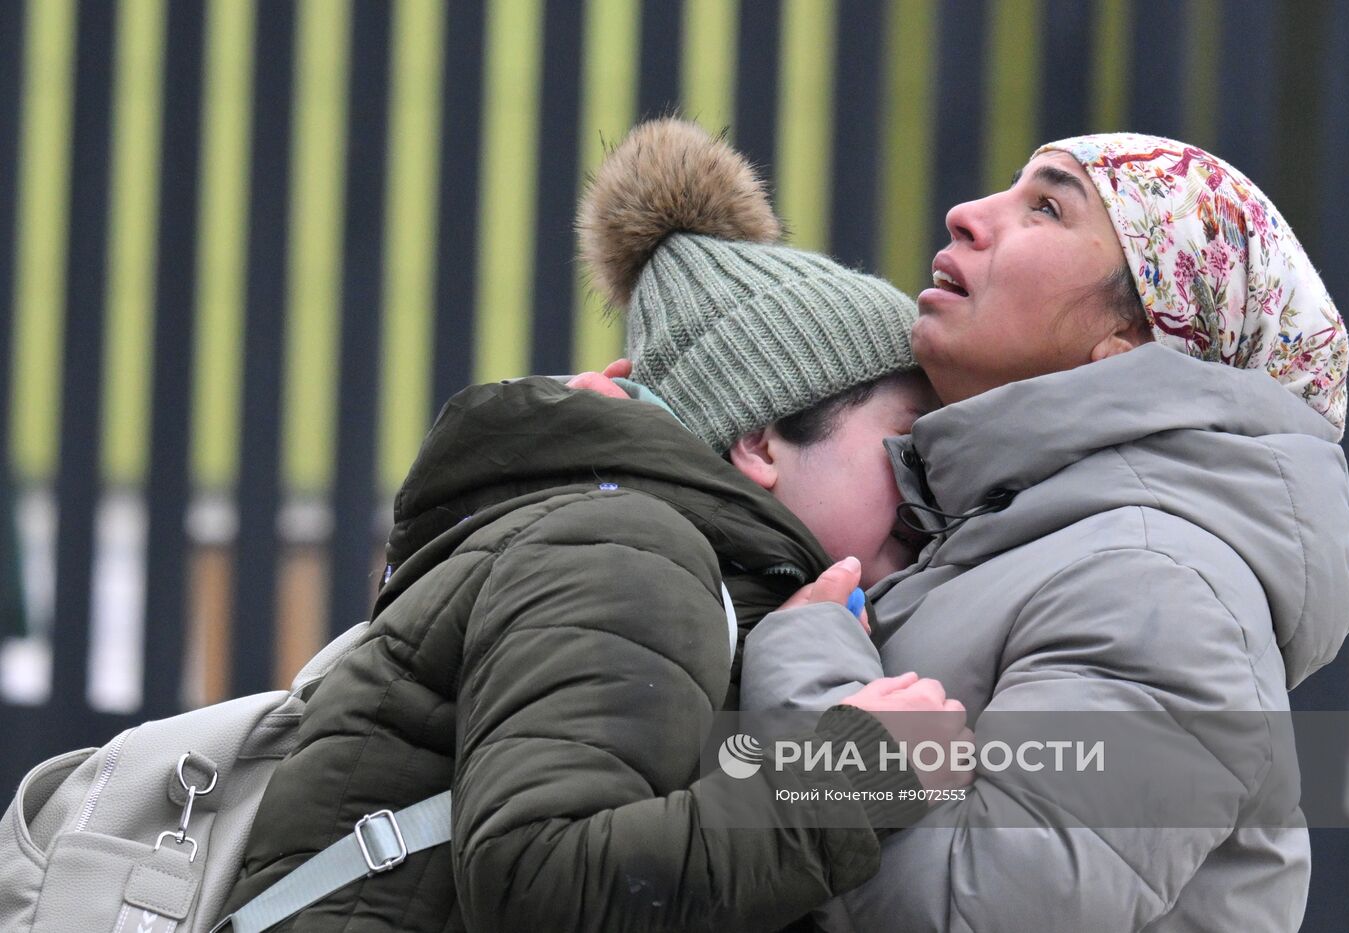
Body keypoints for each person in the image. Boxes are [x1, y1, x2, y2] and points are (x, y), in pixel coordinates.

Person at [221, 119, 966, 932]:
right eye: (905, 442)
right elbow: (540, 878)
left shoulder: (666, 564)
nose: (931, 489)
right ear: (759, 440)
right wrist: (856, 778)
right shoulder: (631, 553)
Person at [740, 133, 1349, 932]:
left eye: (1047, 207)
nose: (965, 215)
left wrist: (807, 670)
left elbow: (970, 912)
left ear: (1133, 348)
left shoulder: (1160, 589)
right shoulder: (1009, 540)